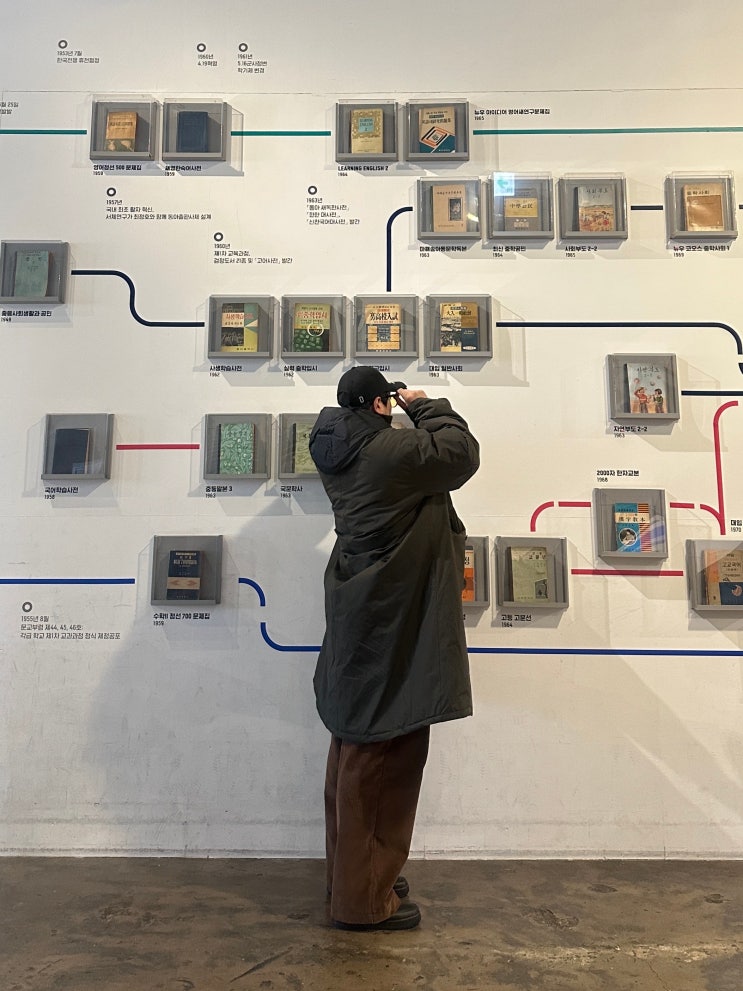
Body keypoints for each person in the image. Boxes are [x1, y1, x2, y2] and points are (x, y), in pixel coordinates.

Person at [309, 366, 480, 931]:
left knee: (354, 745)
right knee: (386, 754)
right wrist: (425, 405)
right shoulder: (387, 452)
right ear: (381, 404)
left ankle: (355, 877)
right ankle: (363, 902)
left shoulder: (336, 446)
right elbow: (460, 454)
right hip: (395, 614)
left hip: (365, 608)